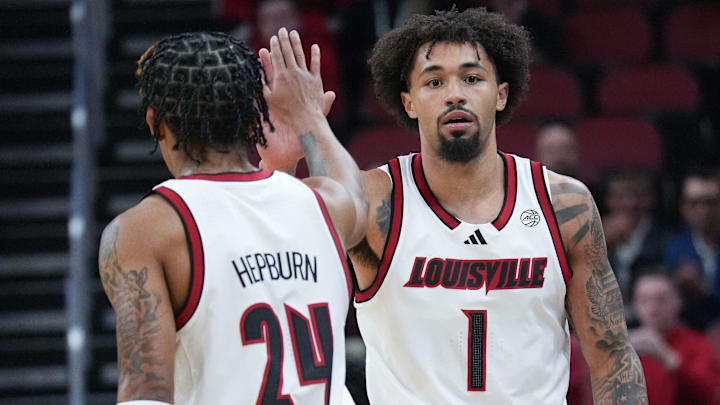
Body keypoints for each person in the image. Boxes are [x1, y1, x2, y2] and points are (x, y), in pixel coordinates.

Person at [260, 7, 648, 404]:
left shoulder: (564, 204)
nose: (455, 93)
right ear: (408, 102)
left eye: (472, 78)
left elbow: (612, 355)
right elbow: (277, 248)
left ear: (501, 94)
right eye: (434, 82)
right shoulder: (378, 199)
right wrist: (280, 163)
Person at [98, 31, 367, 404]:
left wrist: (278, 166)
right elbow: (352, 193)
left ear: (156, 122)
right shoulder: (322, 205)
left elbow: (146, 394)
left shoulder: (145, 231)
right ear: (250, 116)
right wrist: (308, 118)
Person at [630, 271, 720, 405]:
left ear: (678, 301)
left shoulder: (697, 343)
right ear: (635, 305)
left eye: (661, 299)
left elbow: (709, 394)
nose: (652, 307)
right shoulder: (625, 347)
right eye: (644, 299)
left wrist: (666, 356)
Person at [665, 169, 720, 329]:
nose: (703, 210)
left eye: (710, 202)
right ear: (683, 207)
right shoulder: (672, 248)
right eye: (694, 203)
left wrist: (702, 288)